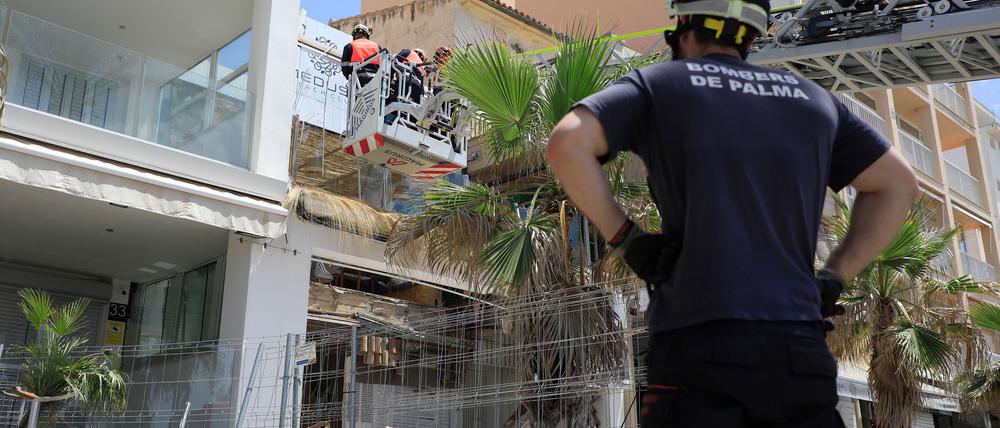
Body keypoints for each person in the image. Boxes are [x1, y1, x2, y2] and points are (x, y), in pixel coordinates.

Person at [545, 0, 918, 426]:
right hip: (797, 350)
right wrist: (834, 275)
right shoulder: (815, 101)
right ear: (753, 37)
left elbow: (566, 144)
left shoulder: (660, 84)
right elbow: (898, 184)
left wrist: (627, 240)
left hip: (698, 342)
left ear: (683, 28)